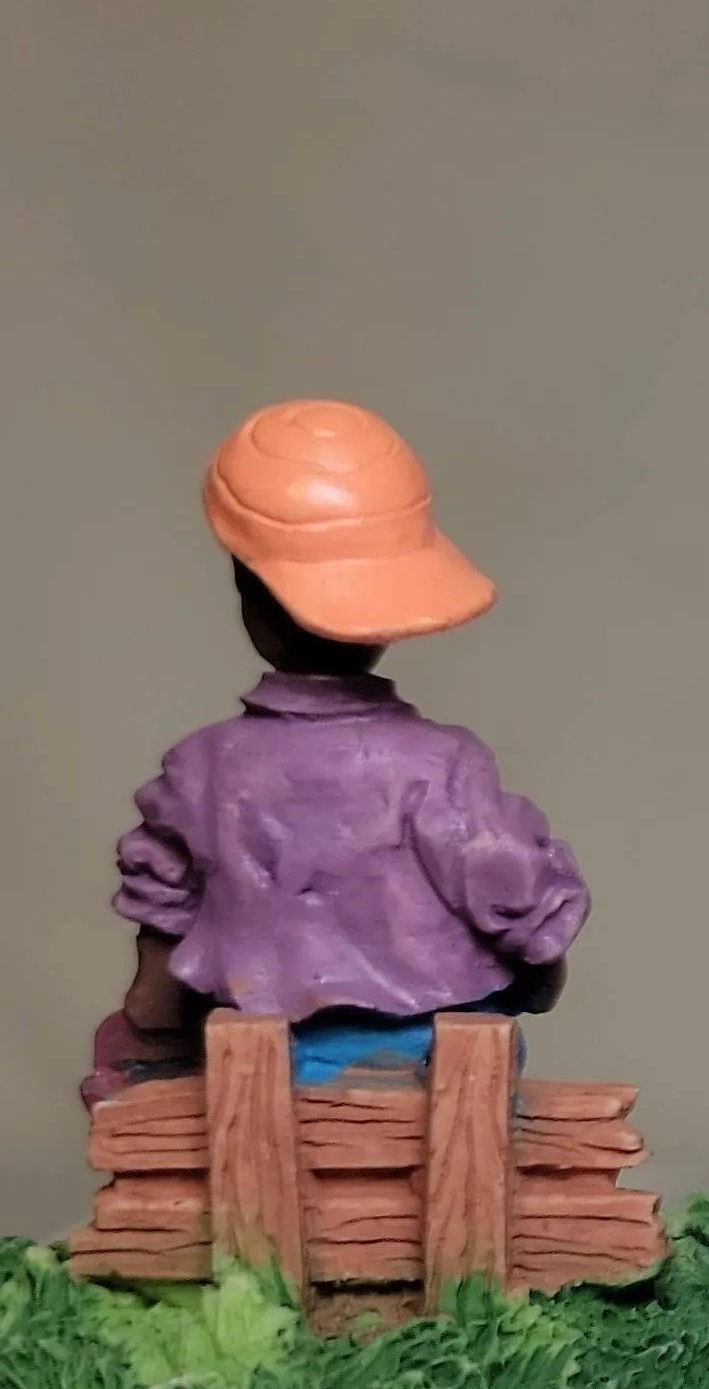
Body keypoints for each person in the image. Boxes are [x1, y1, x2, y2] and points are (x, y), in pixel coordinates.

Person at [92, 400, 586, 1103]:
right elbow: (517, 902)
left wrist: (152, 1020)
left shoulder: (200, 767)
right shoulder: (445, 764)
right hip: (438, 1057)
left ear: (247, 591)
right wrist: (540, 972)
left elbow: (161, 935)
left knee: (143, 1048)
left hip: (259, 1060)